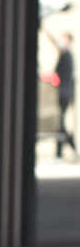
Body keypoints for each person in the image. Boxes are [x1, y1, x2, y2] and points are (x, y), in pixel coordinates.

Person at [43, 28, 76, 158]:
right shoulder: (64, 55)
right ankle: (60, 152)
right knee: (60, 123)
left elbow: (60, 76)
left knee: (60, 123)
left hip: (63, 93)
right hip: (63, 93)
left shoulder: (67, 55)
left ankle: (70, 147)